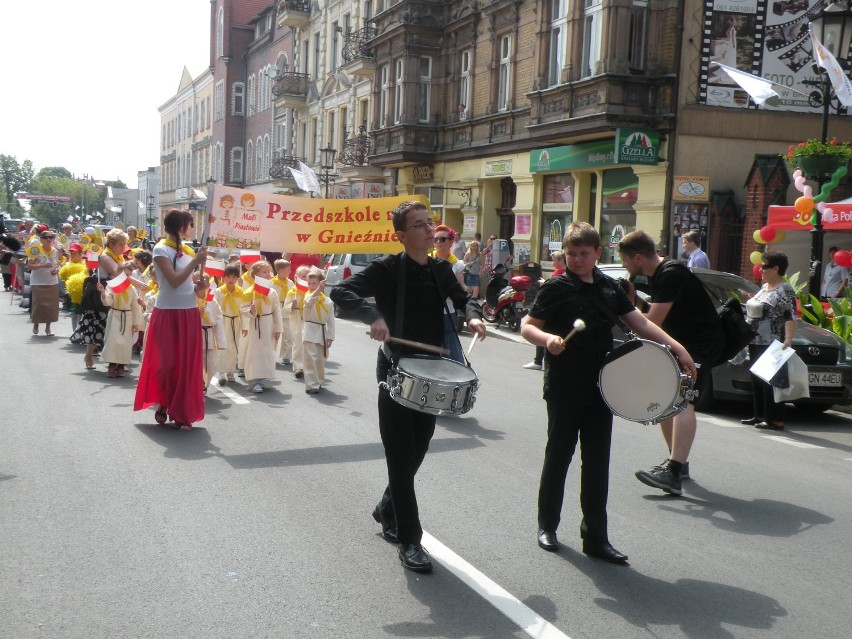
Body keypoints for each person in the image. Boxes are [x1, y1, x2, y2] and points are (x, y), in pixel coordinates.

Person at [521, 222, 696, 564]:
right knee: (559, 455)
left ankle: (596, 538)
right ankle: (548, 526)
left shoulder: (609, 287)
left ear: (597, 252)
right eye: (571, 254)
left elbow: (642, 324)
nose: (577, 260)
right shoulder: (555, 287)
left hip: (602, 387)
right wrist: (547, 341)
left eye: (584, 254)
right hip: (564, 385)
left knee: (597, 462)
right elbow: (528, 326)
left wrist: (679, 349)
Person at [330, 201, 487, 573]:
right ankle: (409, 540)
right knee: (401, 455)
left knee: (417, 449)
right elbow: (341, 293)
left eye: (428, 222)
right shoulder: (387, 269)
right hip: (398, 367)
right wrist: (374, 316)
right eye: (419, 225)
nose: (429, 229)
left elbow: (466, 299)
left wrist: (475, 316)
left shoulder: (440, 270)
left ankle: (387, 506)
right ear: (402, 236)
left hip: (434, 369)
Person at [617, 230, 723, 496]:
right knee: (669, 399)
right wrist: (636, 299)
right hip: (687, 343)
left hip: (700, 345)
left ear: (637, 257)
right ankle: (677, 461)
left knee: (683, 400)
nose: (624, 266)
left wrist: (628, 309)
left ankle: (674, 472)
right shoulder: (661, 274)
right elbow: (654, 310)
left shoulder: (670, 273)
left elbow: (652, 323)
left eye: (625, 260)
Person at [134, 209, 208, 430]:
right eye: (190, 223)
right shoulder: (159, 249)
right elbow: (174, 281)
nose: (192, 228)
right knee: (166, 362)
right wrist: (195, 262)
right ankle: (163, 403)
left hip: (188, 311)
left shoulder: (186, 250)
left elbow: (186, 284)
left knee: (186, 365)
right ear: (180, 226)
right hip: (167, 311)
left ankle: (181, 409)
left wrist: (199, 287)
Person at [742, 251, 797, 431]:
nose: (761, 270)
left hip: (772, 340)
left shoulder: (784, 290)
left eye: (764, 266)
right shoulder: (764, 287)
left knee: (771, 381)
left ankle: (775, 419)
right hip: (756, 338)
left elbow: (789, 316)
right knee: (757, 377)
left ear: (776, 268)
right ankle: (759, 415)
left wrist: (788, 339)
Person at [240, 260, 283, 393]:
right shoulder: (249, 292)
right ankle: (255, 379)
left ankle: (262, 376)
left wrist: (278, 328)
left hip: (269, 324)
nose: (267, 274)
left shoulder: (272, 292)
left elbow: (277, 311)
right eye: (264, 272)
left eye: (268, 272)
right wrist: (251, 311)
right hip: (256, 325)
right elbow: (243, 309)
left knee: (267, 351)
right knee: (256, 351)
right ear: (256, 274)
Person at [98, 262, 143, 378]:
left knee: (125, 342)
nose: (126, 277)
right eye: (123, 274)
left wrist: (135, 323)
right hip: (115, 315)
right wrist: (103, 292)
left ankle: (121, 365)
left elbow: (135, 306)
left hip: (127, 317)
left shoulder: (131, 288)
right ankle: (112, 364)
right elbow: (108, 301)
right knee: (113, 341)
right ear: (118, 274)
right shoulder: (112, 286)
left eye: (128, 275)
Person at [523, 250, 566, 370]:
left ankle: (537, 361)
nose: (553, 263)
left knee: (540, 330)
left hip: (550, 310)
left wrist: (544, 283)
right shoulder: (566, 272)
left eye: (554, 260)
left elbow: (552, 288)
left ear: (561, 260)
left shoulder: (558, 272)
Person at [301, 266, 335, 394]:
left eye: (314, 283)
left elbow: (331, 320)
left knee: (320, 359)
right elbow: (309, 302)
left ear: (321, 283)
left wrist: (330, 336)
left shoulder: (328, 301)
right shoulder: (308, 296)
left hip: (322, 332)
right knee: (310, 359)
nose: (311, 286)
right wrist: (317, 291)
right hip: (310, 329)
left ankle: (319, 380)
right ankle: (311, 385)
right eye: (309, 283)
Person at [215, 263, 245, 384]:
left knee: (233, 347)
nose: (231, 280)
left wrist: (244, 326)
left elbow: (242, 310)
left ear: (238, 279)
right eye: (228, 276)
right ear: (223, 277)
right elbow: (215, 309)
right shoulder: (219, 291)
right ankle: (221, 372)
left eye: (234, 277)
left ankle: (230, 371)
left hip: (235, 321)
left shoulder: (241, 292)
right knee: (222, 346)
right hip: (223, 321)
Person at [28, 229, 60, 336]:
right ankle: (36, 324)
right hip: (38, 281)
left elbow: (56, 265)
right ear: (41, 239)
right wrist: (43, 266)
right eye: (46, 237)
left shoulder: (55, 251)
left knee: (51, 306)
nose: (49, 239)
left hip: (52, 282)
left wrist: (56, 271)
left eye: (51, 237)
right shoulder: (35, 250)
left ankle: (48, 328)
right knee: (38, 305)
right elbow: (30, 265)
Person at [272, 258, 294, 365]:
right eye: (288, 269)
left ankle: (286, 356)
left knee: (287, 334)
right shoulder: (271, 282)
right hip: (275, 310)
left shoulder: (290, 283)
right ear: (280, 271)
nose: (290, 271)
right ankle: (271, 353)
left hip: (286, 310)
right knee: (274, 334)